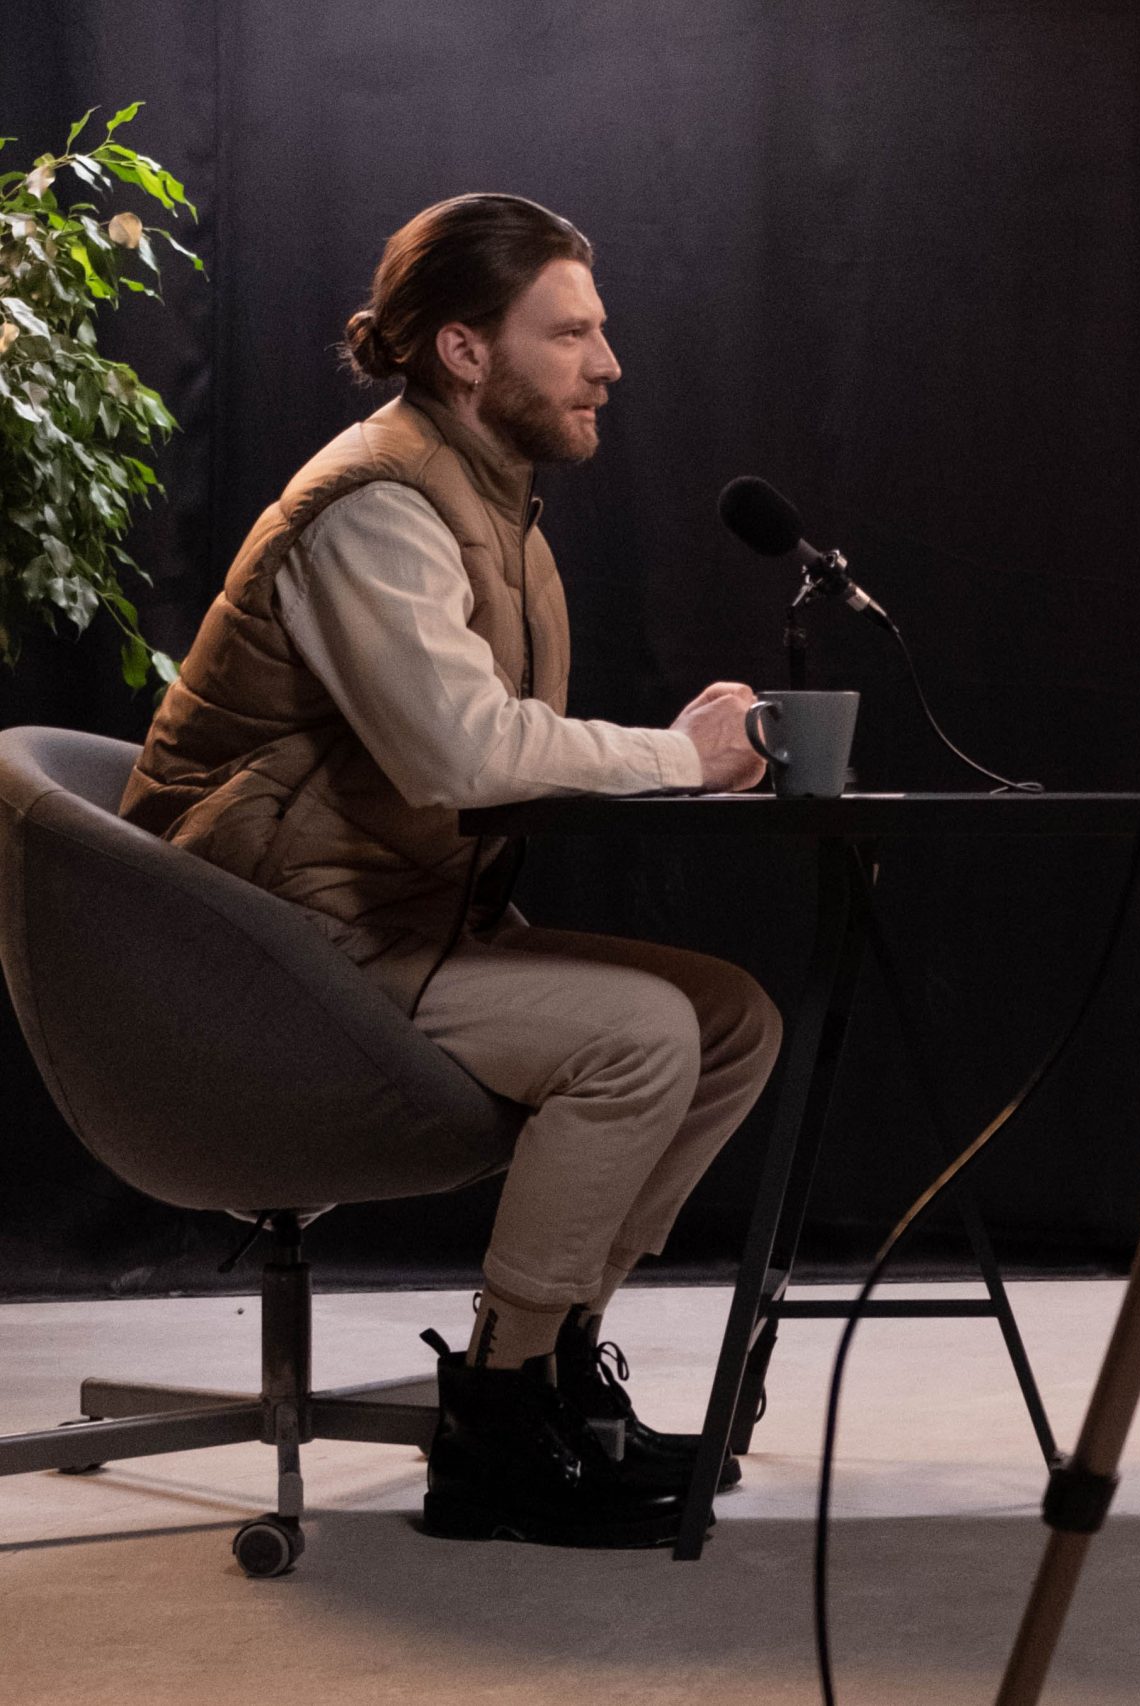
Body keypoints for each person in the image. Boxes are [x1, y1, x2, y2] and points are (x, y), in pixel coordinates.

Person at [119, 194, 783, 1549]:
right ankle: (494, 1425)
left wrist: (688, 756)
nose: (608, 363)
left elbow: (489, 761)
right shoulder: (374, 504)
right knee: (643, 1039)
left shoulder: (496, 508)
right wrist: (680, 756)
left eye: (601, 331)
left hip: (387, 922)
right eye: (572, 332)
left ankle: (551, 1368)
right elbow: (461, 754)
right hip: (270, 951)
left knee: (730, 1020)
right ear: (465, 350)